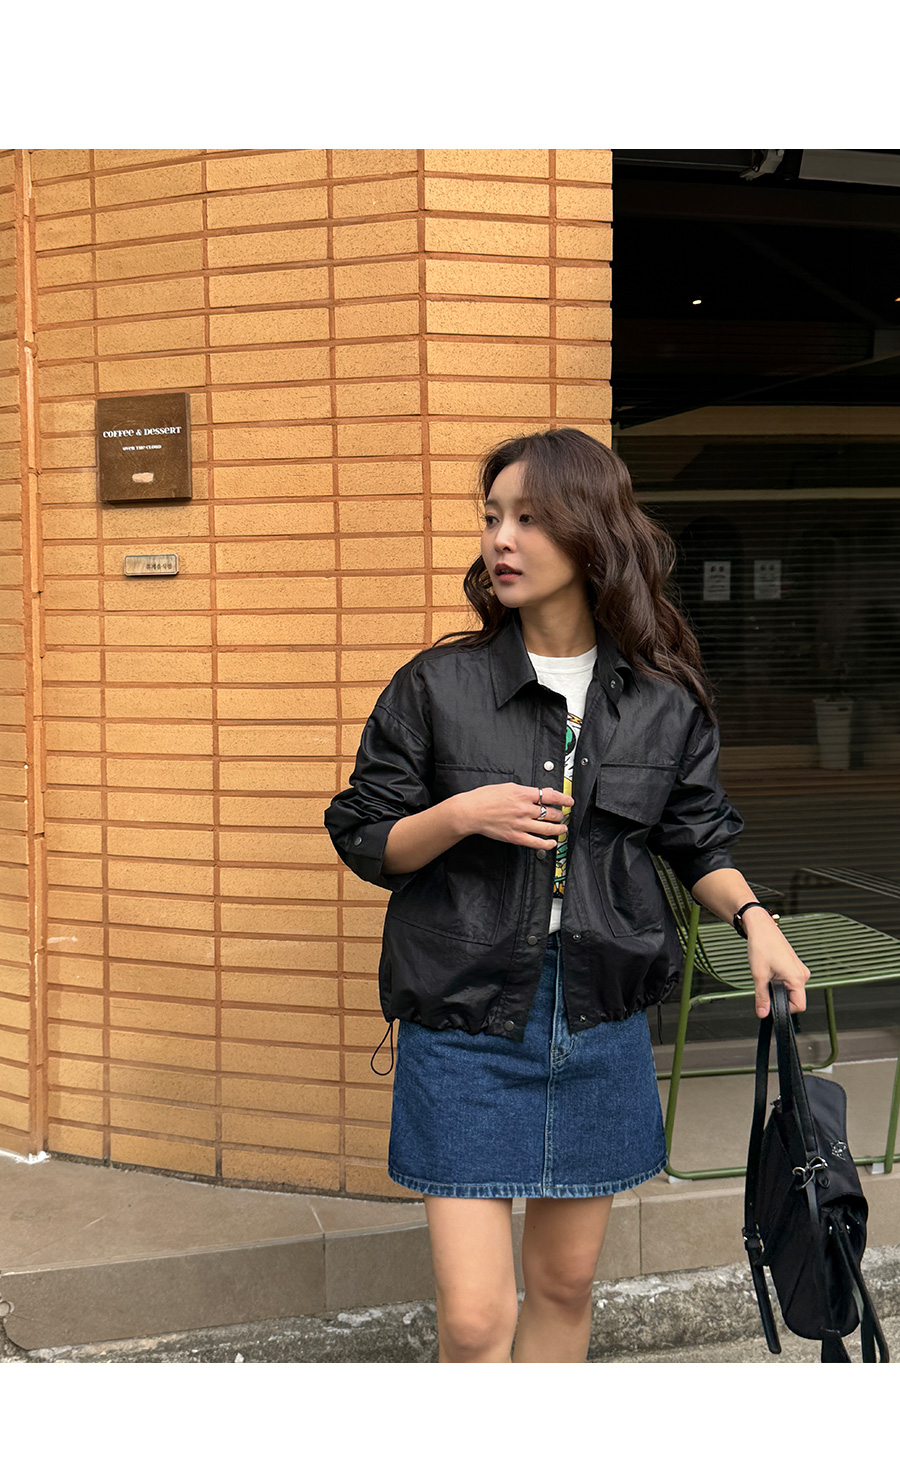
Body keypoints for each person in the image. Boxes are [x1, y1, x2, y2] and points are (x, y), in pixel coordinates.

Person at [324, 427, 810, 1363]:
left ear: (592, 535)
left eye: (529, 518)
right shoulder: (438, 684)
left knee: (564, 1284)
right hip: (466, 1020)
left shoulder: (661, 698)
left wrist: (756, 921)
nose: (501, 539)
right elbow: (364, 833)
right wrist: (461, 812)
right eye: (492, 517)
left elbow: (695, 835)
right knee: (475, 1318)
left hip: (598, 1016)